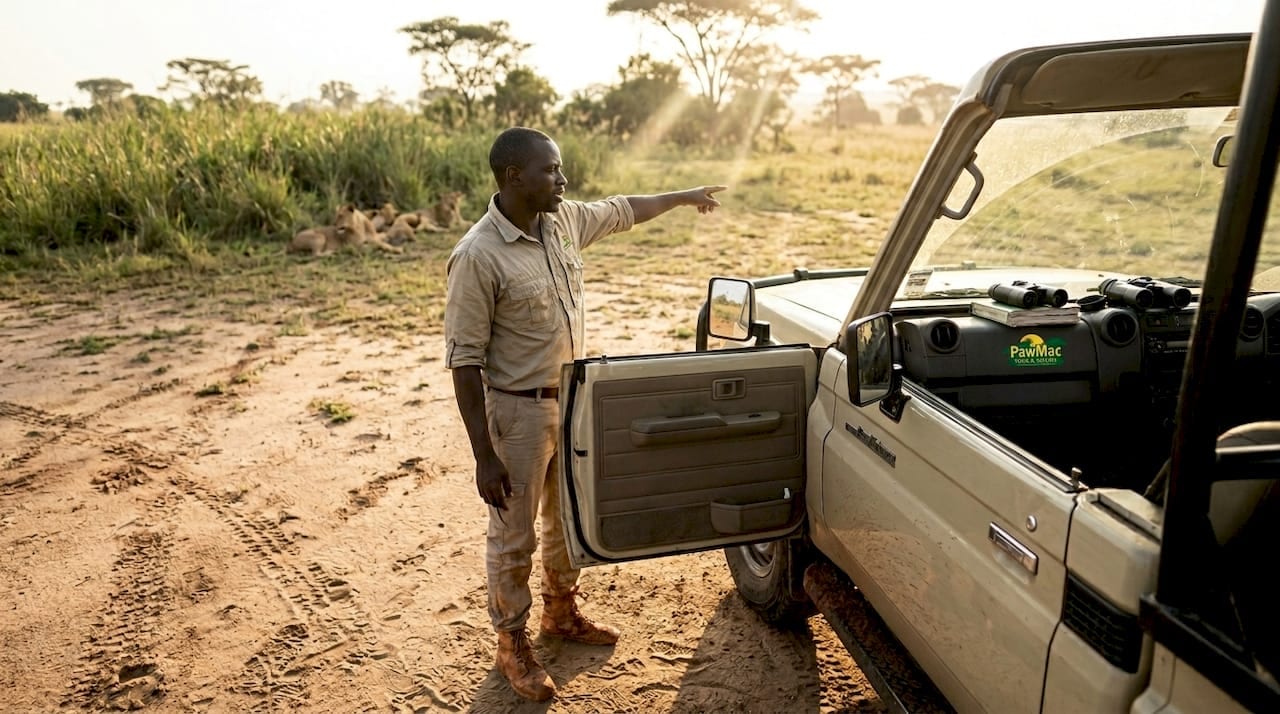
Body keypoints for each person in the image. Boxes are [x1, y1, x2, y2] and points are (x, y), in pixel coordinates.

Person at [444, 126, 726, 702]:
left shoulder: (564, 222)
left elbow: (623, 210)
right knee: (512, 535)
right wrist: (484, 455)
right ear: (513, 176)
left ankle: (561, 614)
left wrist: (681, 195)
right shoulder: (477, 256)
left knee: (567, 523)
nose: (563, 180)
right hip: (517, 418)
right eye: (552, 170)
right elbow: (464, 362)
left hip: (571, 406)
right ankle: (511, 643)